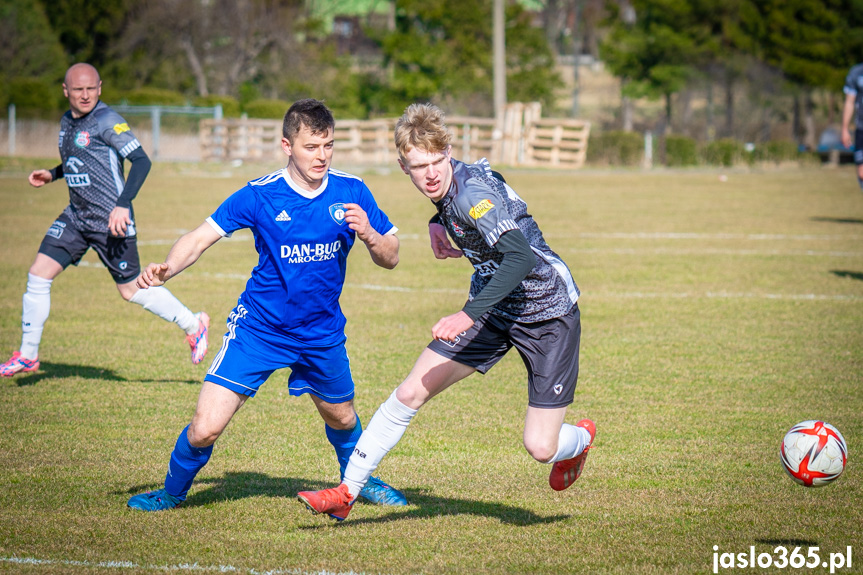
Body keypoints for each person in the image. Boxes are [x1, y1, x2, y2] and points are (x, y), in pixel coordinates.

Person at [297, 103, 594, 521]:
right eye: (420, 166)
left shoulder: (472, 193)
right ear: (404, 166)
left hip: (546, 312)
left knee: (541, 447)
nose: (432, 173)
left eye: (438, 161)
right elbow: (494, 186)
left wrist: (468, 314)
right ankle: (347, 492)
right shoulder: (456, 185)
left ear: (449, 151)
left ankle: (580, 440)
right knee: (410, 391)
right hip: (494, 305)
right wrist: (439, 221)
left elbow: (520, 258)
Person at [127, 98, 407, 511]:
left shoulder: (352, 190)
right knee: (205, 428)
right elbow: (200, 237)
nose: (322, 156)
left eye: (328, 145)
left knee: (343, 418)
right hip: (260, 329)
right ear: (287, 145)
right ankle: (170, 493)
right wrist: (168, 267)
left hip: (320, 332)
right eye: (311, 147)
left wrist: (369, 234)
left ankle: (360, 482)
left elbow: (392, 255)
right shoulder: (260, 195)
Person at [1, 63, 209, 377]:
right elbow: (79, 159)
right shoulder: (67, 122)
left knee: (132, 290)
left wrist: (123, 204)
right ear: (65, 91)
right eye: (78, 89)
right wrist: (54, 173)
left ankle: (194, 325)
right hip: (76, 216)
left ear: (100, 87)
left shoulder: (108, 120)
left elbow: (141, 160)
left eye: (91, 89)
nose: (85, 95)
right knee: (38, 275)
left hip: (112, 221)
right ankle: (28, 355)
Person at [841, 62, 863, 190]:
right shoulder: (857, 73)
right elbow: (849, 102)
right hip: (861, 128)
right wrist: (845, 129)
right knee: (861, 173)